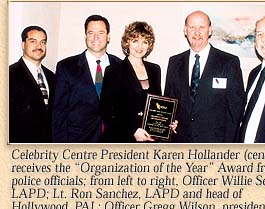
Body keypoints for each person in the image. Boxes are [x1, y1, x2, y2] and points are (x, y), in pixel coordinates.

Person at [164, 10, 245, 143]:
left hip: (215, 144)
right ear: (185, 30)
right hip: (180, 141)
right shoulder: (174, 62)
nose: (197, 32)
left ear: (210, 30)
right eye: (192, 27)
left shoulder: (228, 62)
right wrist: (169, 122)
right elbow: (169, 102)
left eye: (202, 27)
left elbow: (236, 109)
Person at [52, 15, 121, 143]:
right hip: (78, 141)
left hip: (112, 142)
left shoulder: (120, 66)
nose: (96, 38)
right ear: (85, 36)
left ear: (108, 36)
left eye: (101, 33)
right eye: (91, 33)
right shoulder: (66, 67)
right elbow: (59, 113)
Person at [100, 21, 164, 142]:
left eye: (144, 42)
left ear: (149, 45)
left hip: (149, 140)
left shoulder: (155, 70)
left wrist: (167, 122)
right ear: (127, 43)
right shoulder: (114, 70)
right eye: (135, 41)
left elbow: (158, 105)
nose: (140, 47)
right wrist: (132, 130)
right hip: (121, 139)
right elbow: (106, 111)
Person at [9, 26, 55, 143]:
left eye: (42, 42)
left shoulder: (53, 77)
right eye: (33, 41)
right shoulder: (9, 74)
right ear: (23, 44)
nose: (39, 46)